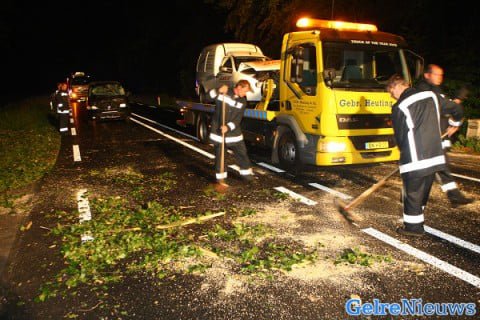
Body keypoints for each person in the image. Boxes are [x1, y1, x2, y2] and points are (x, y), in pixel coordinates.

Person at [387, 74, 464, 236]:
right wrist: (455, 124)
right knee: (422, 191)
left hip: (415, 159)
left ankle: (413, 228)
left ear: (396, 86)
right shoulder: (432, 95)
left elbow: (400, 138)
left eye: (390, 92)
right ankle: (417, 219)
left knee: (412, 193)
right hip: (435, 156)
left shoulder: (399, 107)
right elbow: (456, 109)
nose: (391, 96)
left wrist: (404, 158)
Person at [415, 64, 473, 207]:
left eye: (441, 75)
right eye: (436, 74)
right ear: (427, 75)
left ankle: (453, 197)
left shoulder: (435, 89)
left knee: (438, 168)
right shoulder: (424, 90)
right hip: (431, 137)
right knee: (438, 168)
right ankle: (454, 197)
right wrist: (455, 103)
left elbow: (444, 110)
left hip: (440, 135)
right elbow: (441, 107)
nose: (440, 78)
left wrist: (452, 122)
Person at [209, 80, 255, 184]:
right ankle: (221, 178)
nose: (245, 94)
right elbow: (208, 96)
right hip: (219, 131)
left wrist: (228, 127)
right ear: (239, 87)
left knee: (242, 153)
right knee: (221, 155)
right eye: (244, 91)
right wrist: (218, 90)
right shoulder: (224, 92)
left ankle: (246, 174)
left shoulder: (243, 101)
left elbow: (238, 119)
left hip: (234, 133)